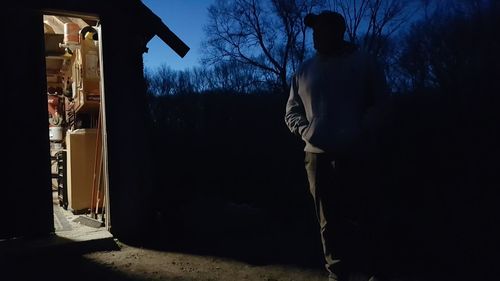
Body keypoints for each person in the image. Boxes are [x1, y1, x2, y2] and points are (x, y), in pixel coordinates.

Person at [284, 11, 388, 281]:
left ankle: (373, 270)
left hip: (358, 152)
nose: (315, 35)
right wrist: (305, 130)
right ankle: (336, 272)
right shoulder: (304, 70)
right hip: (316, 156)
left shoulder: (364, 62)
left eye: (321, 29)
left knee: (366, 213)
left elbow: (382, 102)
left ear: (338, 31)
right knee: (328, 220)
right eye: (314, 30)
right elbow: (291, 110)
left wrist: (362, 129)